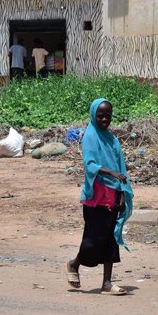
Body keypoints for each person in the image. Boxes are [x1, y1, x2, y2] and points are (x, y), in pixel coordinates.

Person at [65, 98, 133, 295]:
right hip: (95, 198)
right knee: (93, 241)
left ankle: (107, 283)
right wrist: (110, 173)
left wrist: (121, 194)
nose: (104, 119)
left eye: (108, 116)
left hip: (112, 197)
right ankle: (74, 263)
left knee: (111, 240)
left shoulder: (112, 139)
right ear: (93, 115)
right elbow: (90, 165)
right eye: (100, 115)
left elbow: (121, 169)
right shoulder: (90, 136)